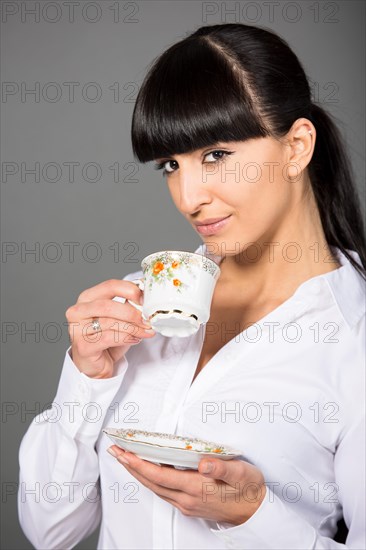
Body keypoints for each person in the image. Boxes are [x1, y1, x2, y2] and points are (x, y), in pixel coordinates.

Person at [18, 23, 365, 549]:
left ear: (296, 147)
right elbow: (50, 532)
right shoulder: (138, 304)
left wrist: (254, 515)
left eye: (216, 155)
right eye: (170, 165)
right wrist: (85, 379)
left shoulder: (354, 334)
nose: (187, 196)